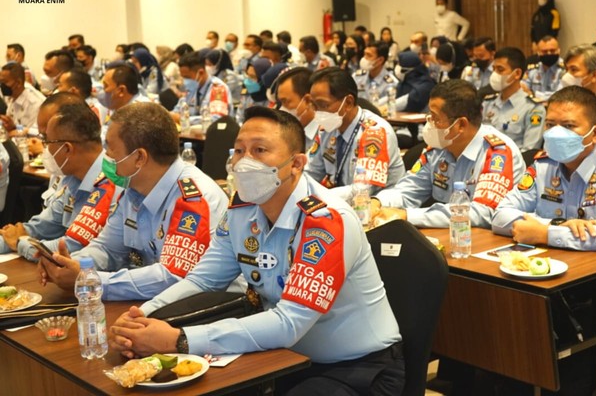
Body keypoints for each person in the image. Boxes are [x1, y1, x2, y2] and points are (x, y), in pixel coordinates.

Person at [108, 106, 404, 394]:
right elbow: (203, 280)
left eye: (260, 150)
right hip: (284, 355)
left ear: (297, 163)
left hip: (357, 368)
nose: (244, 162)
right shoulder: (242, 208)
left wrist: (180, 340)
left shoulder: (326, 222)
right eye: (239, 151)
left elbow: (289, 322)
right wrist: (142, 315)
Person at [492, 85, 596, 395]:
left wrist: (544, 233)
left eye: (569, 126)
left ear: (594, 132)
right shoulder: (543, 165)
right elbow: (501, 216)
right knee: (506, 345)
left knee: (576, 368)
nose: (557, 133)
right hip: (558, 282)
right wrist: (557, 224)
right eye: (550, 124)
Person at [38, 102, 229, 301]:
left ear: (139, 157)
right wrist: (68, 266)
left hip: (201, 307)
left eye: (111, 149)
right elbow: (107, 248)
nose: (106, 156)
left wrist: (93, 281)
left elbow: (171, 277)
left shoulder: (193, 198)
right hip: (149, 300)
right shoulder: (133, 189)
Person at [370, 79, 524, 229]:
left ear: (461, 125)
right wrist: (377, 202)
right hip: (451, 235)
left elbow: (483, 213)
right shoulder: (438, 149)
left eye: (435, 118)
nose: (429, 124)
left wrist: (407, 215)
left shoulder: (497, 154)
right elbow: (408, 190)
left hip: (486, 241)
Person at [0, 95, 115, 260]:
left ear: (67, 148)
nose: (44, 149)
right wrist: (12, 238)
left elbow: (70, 248)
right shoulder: (72, 179)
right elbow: (38, 228)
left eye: (47, 141)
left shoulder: (111, 182)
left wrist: (19, 242)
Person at [305, 67, 405, 200]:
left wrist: (320, 195)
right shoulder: (327, 128)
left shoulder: (375, 133)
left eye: (323, 105)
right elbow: (311, 171)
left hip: (379, 208)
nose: (318, 113)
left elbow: (363, 190)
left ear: (348, 103)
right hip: (341, 204)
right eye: (314, 106)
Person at [482, 47, 545, 152]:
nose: (495, 74)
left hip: (514, 165)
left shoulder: (533, 108)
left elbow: (529, 151)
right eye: (493, 69)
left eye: (500, 69)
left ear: (517, 74)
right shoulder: (488, 103)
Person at [172, 51, 233, 121]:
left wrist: (183, 119)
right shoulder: (191, 89)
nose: (185, 81)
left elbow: (217, 119)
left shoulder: (218, 89)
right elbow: (176, 111)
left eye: (187, 77)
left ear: (201, 73)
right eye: (183, 77)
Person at [276, 67, 320, 152]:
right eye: (281, 103)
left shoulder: (326, 135)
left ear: (307, 100)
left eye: (286, 102)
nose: (282, 109)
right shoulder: (290, 134)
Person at [0, 61, 45, 134]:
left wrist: (16, 128)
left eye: (5, 82)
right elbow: (19, 126)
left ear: (18, 83)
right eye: (1, 82)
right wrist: (11, 126)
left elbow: (36, 132)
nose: (2, 86)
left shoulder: (34, 104)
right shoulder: (12, 98)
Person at [523, 35, 564, 101]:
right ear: (538, 53)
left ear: (559, 50)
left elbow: (560, 96)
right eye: (544, 51)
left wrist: (534, 95)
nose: (549, 53)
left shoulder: (565, 70)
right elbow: (523, 90)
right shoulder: (532, 70)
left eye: (552, 50)